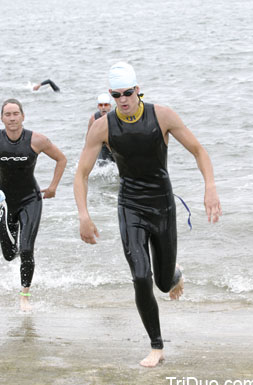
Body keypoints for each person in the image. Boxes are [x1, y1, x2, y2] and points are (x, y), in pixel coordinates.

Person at [74, 62, 222, 368]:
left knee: (164, 283)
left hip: (162, 205)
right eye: (116, 95)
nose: (123, 99)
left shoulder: (162, 116)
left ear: (137, 89)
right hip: (129, 205)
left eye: (128, 92)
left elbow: (199, 151)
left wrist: (210, 188)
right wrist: (83, 214)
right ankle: (157, 346)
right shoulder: (102, 126)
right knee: (141, 276)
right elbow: (82, 174)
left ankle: (174, 274)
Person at [0, 99, 67, 311]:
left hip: (30, 199)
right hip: (4, 203)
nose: (12, 118)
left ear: (23, 116)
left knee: (27, 248)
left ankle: (24, 297)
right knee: (10, 254)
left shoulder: (36, 140)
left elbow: (61, 159)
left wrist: (53, 186)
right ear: (2, 118)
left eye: (15, 114)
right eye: (7, 114)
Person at [86, 93, 114, 164]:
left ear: (110, 106)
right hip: (102, 148)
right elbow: (88, 137)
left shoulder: (115, 117)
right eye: (101, 105)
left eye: (106, 105)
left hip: (114, 146)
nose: (103, 107)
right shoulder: (94, 118)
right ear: (98, 107)